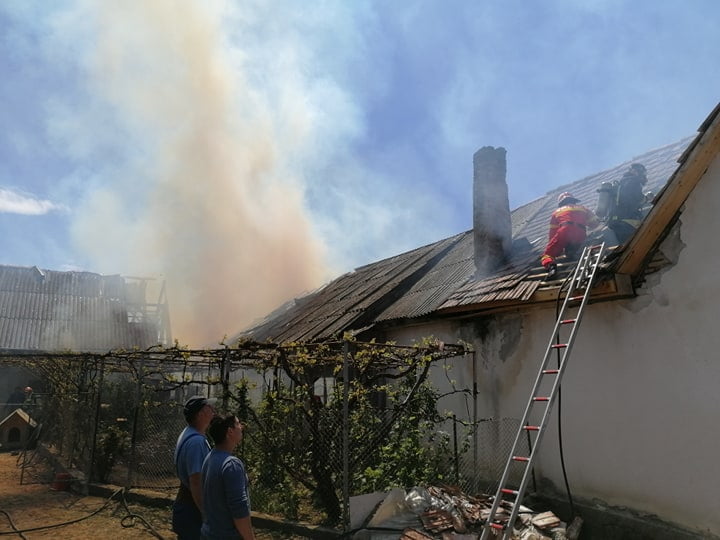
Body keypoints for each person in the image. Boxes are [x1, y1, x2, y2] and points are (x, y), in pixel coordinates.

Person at [201, 414, 255, 540]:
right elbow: (239, 510)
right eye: (238, 424)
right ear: (230, 431)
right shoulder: (231, 465)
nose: (241, 427)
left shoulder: (209, 458)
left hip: (209, 533)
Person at [172, 395, 217, 539]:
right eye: (209, 407)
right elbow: (196, 482)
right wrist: (206, 514)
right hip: (192, 511)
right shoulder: (196, 442)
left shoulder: (189, 433)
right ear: (200, 414)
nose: (213, 409)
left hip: (187, 506)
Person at [541, 192, 599, 279]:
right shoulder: (583, 208)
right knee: (573, 249)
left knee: (547, 255)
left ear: (561, 203)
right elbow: (595, 224)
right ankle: (571, 251)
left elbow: (553, 234)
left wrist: (555, 247)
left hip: (565, 231)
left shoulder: (556, 212)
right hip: (581, 233)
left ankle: (551, 267)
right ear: (573, 200)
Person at [600, 163, 650, 245]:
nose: (644, 176)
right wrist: (647, 198)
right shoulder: (633, 181)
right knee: (639, 244)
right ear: (635, 171)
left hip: (615, 223)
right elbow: (638, 198)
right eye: (642, 173)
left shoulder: (622, 183)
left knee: (627, 246)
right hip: (627, 221)